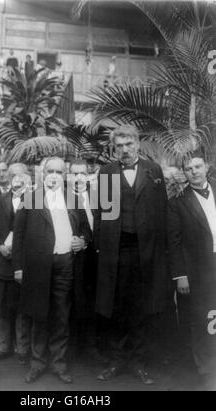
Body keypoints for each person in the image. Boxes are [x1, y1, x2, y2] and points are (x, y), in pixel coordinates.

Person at [94, 125, 169, 385]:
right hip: (115, 251)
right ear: (114, 148)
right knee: (114, 306)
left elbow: (162, 212)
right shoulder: (106, 172)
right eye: (119, 146)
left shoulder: (153, 171)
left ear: (137, 144)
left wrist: (161, 252)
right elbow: (101, 215)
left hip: (145, 251)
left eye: (129, 144)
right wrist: (100, 249)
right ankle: (115, 361)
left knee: (140, 307)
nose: (124, 150)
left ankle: (138, 363)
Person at [13, 157, 92, 384]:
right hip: (38, 266)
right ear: (42, 173)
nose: (54, 175)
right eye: (50, 171)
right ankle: (37, 363)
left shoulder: (73, 199)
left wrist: (83, 241)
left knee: (61, 315)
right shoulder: (31, 199)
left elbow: (87, 231)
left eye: (59, 171)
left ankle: (59, 363)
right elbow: (18, 237)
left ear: (64, 174)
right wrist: (18, 267)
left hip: (66, 264)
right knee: (40, 314)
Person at [167, 150, 216, 390]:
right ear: (184, 173)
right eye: (189, 169)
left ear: (206, 166)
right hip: (198, 269)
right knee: (202, 319)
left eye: (198, 166)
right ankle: (206, 370)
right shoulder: (178, 201)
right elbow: (174, 241)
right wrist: (180, 275)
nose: (195, 171)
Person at [0, 163, 32, 364]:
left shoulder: (35, 200)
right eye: (14, 175)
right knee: (3, 306)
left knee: (22, 306)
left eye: (21, 175)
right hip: (3, 261)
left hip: (23, 261)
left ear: (27, 178)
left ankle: (23, 350)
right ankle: (4, 347)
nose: (17, 179)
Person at [68, 159, 105, 363]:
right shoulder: (62, 197)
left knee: (93, 300)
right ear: (68, 176)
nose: (78, 178)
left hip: (96, 256)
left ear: (88, 176)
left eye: (82, 174)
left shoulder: (99, 196)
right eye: (74, 174)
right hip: (72, 256)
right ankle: (74, 347)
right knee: (75, 300)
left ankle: (93, 346)